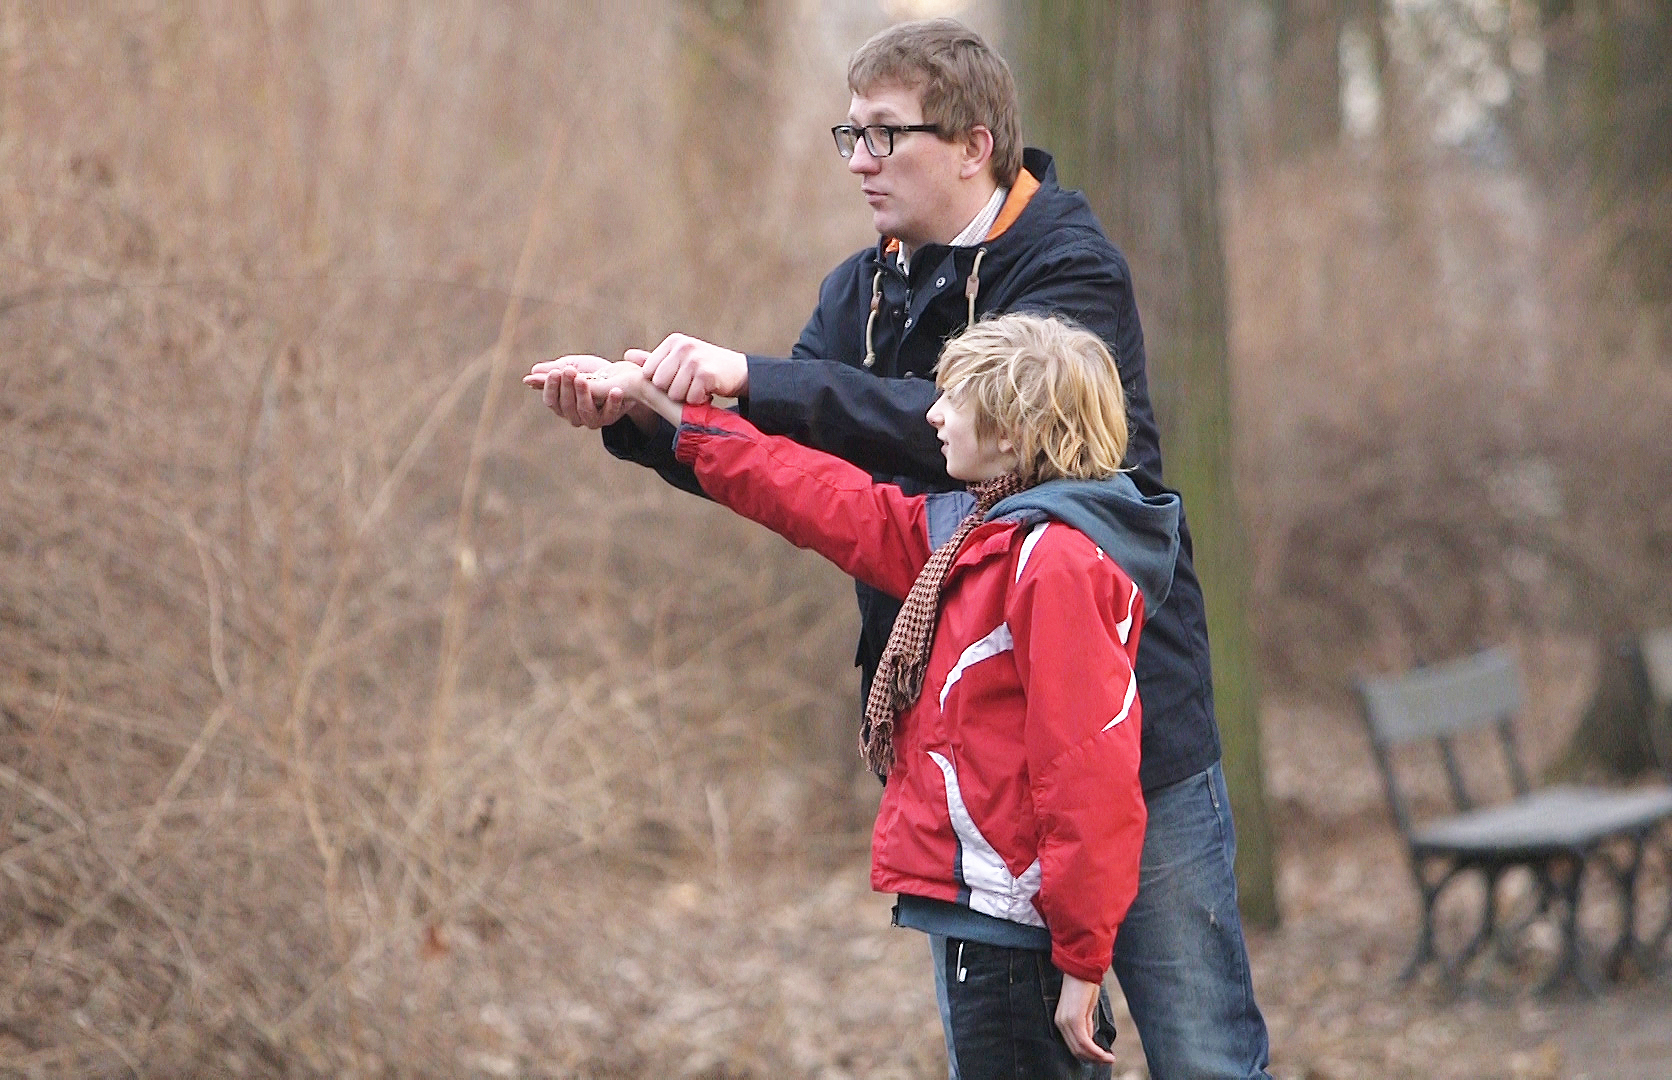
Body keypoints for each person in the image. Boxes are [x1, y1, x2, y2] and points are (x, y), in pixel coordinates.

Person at [532, 18, 1273, 1080]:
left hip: (1130, 743)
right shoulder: (860, 290)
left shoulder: (1070, 270)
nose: (860, 161)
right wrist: (647, 414)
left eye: (885, 134)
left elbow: (957, 432)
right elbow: (802, 470)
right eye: (851, 134)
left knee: (1205, 1055)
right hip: (974, 779)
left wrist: (754, 377)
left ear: (974, 145)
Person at [549, 313, 1176, 1076]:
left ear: (1014, 432)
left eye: (954, 400)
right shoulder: (979, 538)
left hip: (1019, 935)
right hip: (985, 919)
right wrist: (665, 406)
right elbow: (819, 495)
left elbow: (1089, 773)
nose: (933, 416)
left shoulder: (1058, 564)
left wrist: (1081, 958)